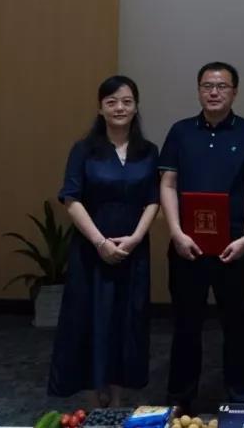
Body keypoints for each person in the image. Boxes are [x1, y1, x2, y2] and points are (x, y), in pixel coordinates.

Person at [159, 62, 244, 411]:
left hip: (233, 245)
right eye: (207, 86)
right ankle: (180, 398)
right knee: (185, 324)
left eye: (222, 86)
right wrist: (176, 233)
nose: (214, 92)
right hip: (186, 245)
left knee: (237, 323)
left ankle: (241, 398)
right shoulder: (180, 132)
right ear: (198, 90)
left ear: (234, 91)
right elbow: (168, 184)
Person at [48, 75, 160, 407]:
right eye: (111, 102)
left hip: (133, 251)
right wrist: (100, 243)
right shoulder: (84, 150)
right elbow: (71, 198)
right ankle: (93, 402)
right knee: (89, 320)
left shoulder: (148, 151)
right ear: (100, 108)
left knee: (127, 321)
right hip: (91, 251)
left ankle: (118, 399)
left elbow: (153, 200)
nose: (119, 108)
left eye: (126, 101)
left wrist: (135, 239)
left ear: (136, 106)